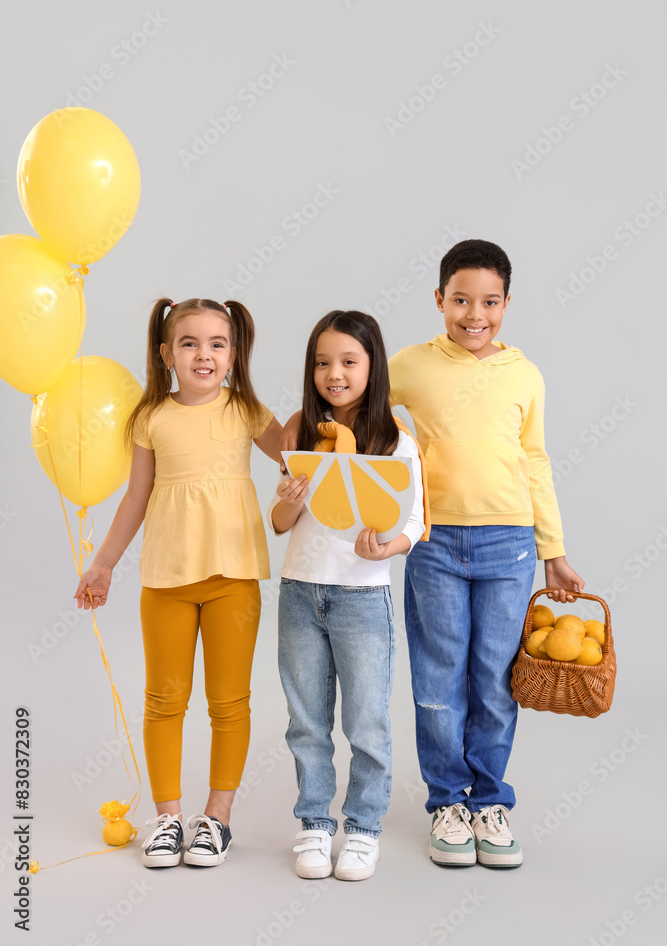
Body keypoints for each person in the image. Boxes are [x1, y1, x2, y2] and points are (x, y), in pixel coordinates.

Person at [387, 238, 585, 868]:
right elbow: (358, 409)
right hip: (433, 540)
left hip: (510, 544)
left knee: (496, 679)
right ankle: (447, 801)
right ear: (439, 300)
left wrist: (552, 549)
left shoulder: (524, 373)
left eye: (490, 301)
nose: (476, 314)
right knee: (439, 676)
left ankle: (490, 801)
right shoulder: (412, 365)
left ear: (506, 303)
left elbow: (535, 458)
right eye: (461, 300)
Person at [74, 298, 283, 869]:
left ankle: (216, 819)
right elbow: (135, 498)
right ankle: (167, 818)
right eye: (189, 343)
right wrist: (104, 563)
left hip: (233, 581)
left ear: (234, 354)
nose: (204, 354)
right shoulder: (150, 417)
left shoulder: (246, 410)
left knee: (229, 702)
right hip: (165, 580)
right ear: (166, 354)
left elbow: (298, 454)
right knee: (164, 701)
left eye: (218, 344)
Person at [268, 310, 427, 882]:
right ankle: (314, 823)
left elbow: (415, 520)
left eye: (348, 362)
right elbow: (281, 522)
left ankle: (362, 830)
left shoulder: (395, 440)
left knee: (366, 721)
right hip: (300, 592)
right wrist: (290, 494)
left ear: (372, 367)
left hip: (362, 597)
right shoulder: (301, 432)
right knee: (306, 720)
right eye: (322, 363)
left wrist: (387, 550)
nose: (334, 374)